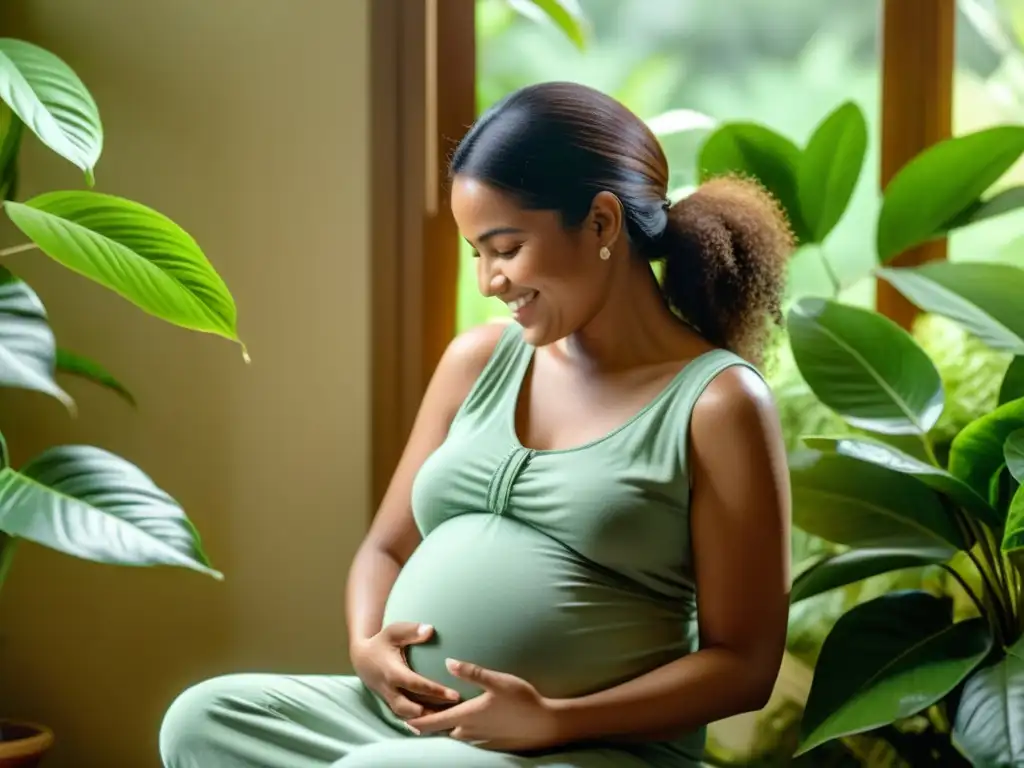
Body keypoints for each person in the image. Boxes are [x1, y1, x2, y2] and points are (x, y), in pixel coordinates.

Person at [159, 81, 793, 768]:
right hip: (411, 731)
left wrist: (555, 720)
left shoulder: (717, 404)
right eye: (475, 254)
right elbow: (384, 548)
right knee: (203, 720)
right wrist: (367, 646)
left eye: (506, 247)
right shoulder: (479, 360)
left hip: (585, 750)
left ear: (602, 224)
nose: (489, 280)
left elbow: (745, 664)